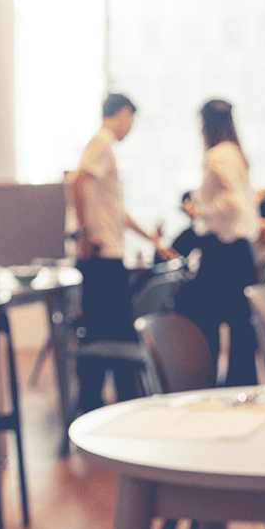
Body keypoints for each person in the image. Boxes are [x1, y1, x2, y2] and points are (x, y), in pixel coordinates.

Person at [71, 93, 173, 412]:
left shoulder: (105, 149)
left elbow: (118, 212)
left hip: (109, 255)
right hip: (102, 257)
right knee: (109, 336)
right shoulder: (101, 143)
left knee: (108, 334)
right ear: (122, 113)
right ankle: (103, 405)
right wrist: (86, 232)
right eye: (131, 119)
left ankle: (104, 404)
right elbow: (77, 181)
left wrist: (152, 241)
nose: (131, 127)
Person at [176, 98, 260, 386]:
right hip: (239, 252)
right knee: (240, 327)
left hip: (222, 252)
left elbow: (234, 202)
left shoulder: (217, 155)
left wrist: (200, 211)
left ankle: (204, 384)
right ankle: (239, 386)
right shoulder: (236, 152)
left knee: (204, 321)